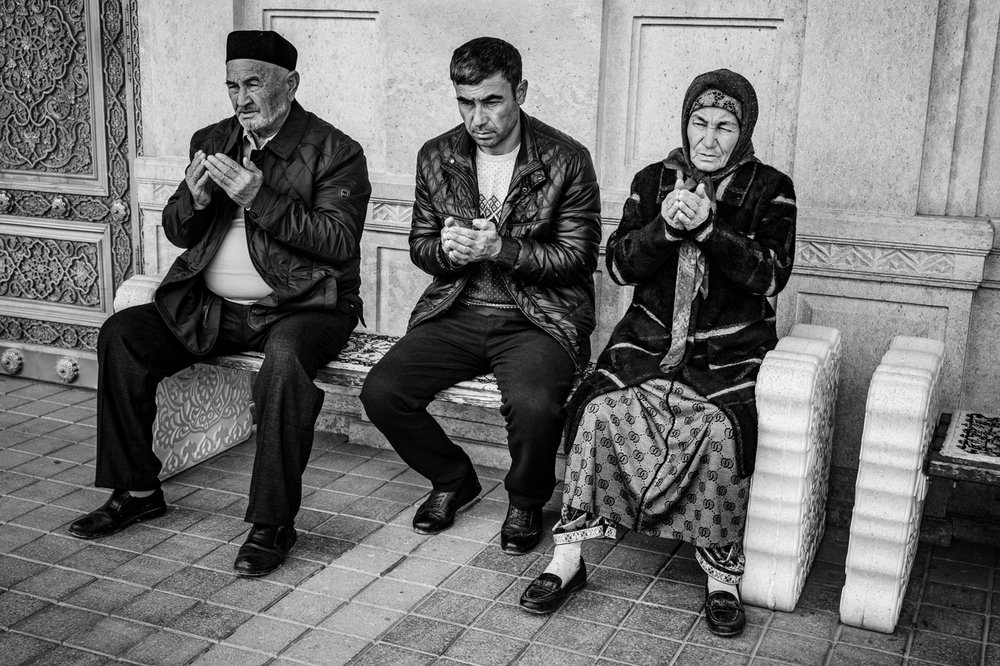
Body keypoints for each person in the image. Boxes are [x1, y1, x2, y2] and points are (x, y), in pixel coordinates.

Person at [68, 30, 371, 577]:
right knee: (123, 335)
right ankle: (137, 490)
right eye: (232, 85)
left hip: (305, 305)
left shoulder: (335, 150)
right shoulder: (212, 138)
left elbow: (338, 242)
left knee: (283, 362)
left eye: (254, 83)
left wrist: (260, 196)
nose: (241, 98)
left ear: (290, 84)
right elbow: (180, 232)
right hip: (215, 307)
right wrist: (195, 198)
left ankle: (272, 522)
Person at [518, 69, 796, 637]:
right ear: (686, 123)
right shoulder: (652, 180)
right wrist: (664, 231)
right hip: (645, 345)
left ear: (744, 132)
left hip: (727, 354)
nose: (709, 138)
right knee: (597, 412)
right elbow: (618, 266)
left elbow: (771, 277)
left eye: (725, 126)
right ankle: (567, 560)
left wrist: (713, 230)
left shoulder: (772, 188)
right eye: (700, 123)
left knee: (720, 429)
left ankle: (721, 576)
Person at [360, 37, 601, 555]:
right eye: (465, 102)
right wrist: (446, 250)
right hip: (457, 309)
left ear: (521, 92)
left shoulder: (567, 159)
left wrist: (503, 249)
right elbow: (421, 246)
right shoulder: (437, 155)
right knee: (382, 391)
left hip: (538, 317)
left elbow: (578, 258)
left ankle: (526, 501)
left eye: (491, 101)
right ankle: (453, 478)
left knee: (535, 405)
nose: (478, 118)